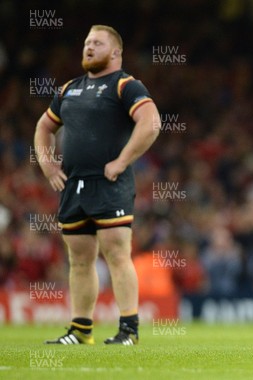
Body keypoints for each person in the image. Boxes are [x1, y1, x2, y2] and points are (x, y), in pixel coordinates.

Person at [34, 25, 160, 345]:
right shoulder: (68, 89)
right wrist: (48, 165)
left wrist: (122, 161)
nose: (89, 47)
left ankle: (129, 330)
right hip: (73, 185)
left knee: (117, 252)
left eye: (97, 43)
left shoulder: (125, 85)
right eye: (87, 42)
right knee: (78, 259)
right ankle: (81, 330)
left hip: (109, 183)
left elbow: (151, 122)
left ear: (115, 52)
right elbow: (43, 127)